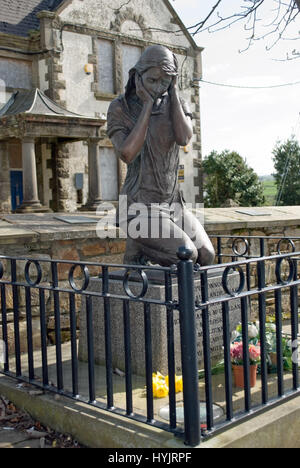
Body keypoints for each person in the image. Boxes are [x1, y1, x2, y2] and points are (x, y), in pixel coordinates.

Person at [107, 45, 215, 267]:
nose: (158, 87)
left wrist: (173, 93)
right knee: (187, 255)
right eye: (152, 80)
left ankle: (138, 247)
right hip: (138, 207)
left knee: (206, 255)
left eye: (165, 80)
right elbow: (127, 153)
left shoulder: (175, 103)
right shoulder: (120, 107)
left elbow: (184, 138)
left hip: (174, 206)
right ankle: (138, 245)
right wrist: (147, 105)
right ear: (138, 77)